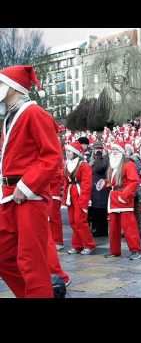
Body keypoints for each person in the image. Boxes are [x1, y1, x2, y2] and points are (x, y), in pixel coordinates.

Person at [0, 65, 62, 298]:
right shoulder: (10, 116)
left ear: (11, 87)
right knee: (4, 256)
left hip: (27, 196)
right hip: (8, 195)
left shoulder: (34, 113)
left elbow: (52, 156)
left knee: (31, 261)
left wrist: (26, 186)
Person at [104, 141, 141, 260]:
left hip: (124, 198)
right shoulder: (112, 165)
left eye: (116, 150)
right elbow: (112, 182)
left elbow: (134, 182)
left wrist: (124, 195)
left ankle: (136, 250)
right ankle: (114, 250)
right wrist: (105, 183)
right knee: (113, 227)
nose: (113, 152)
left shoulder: (128, 164)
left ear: (121, 152)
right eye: (112, 150)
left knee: (129, 227)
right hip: (114, 197)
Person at [63, 141, 96, 255]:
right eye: (66, 151)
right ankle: (77, 245)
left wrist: (84, 200)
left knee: (80, 221)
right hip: (70, 194)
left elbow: (87, 184)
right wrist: (65, 199)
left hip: (79, 193)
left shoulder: (84, 165)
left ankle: (89, 245)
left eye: (69, 151)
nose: (67, 153)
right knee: (72, 221)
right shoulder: (67, 164)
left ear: (75, 153)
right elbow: (66, 182)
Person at [89, 142, 109, 237]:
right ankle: (95, 228)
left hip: (101, 186)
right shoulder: (91, 159)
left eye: (99, 149)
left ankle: (101, 230)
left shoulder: (104, 159)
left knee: (101, 208)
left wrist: (98, 157)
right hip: (92, 187)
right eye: (96, 149)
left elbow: (99, 168)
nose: (97, 151)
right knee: (94, 208)